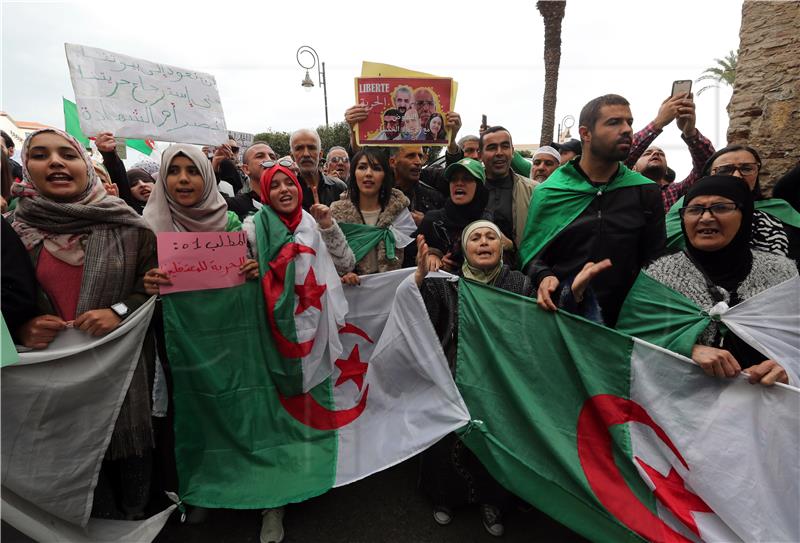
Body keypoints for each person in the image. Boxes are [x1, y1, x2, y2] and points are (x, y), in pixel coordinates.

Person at [10, 128, 157, 519]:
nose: (56, 162)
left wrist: (119, 312)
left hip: (120, 370)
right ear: (27, 168)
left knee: (128, 466)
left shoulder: (131, 226)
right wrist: (19, 329)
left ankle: (132, 516)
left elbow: (152, 287)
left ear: (84, 166)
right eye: (40, 155)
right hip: (46, 379)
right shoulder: (11, 232)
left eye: (67, 154)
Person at [415, 221, 532, 537]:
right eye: (475, 237)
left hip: (501, 380)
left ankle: (493, 502)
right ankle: (444, 498)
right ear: (464, 248)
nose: (483, 242)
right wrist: (418, 283)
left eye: (490, 237)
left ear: (501, 247)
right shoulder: (443, 285)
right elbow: (424, 328)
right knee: (447, 441)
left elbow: (533, 334)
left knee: (495, 443)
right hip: (454, 376)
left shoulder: (520, 285)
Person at [623, 176, 797, 385]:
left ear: (746, 215)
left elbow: (794, 342)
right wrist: (686, 348)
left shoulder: (782, 274)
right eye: (695, 209)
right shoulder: (659, 275)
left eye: (721, 207)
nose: (706, 217)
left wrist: (788, 368)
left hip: (769, 405)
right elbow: (628, 346)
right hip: (679, 408)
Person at [520, 94, 666, 327]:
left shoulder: (645, 192)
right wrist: (543, 275)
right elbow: (532, 254)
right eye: (614, 122)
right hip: (561, 319)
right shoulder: (549, 192)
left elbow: (658, 264)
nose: (627, 129)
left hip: (628, 327)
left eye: (629, 122)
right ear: (585, 133)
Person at [330, 149, 412, 281]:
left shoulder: (399, 212)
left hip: (391, 291)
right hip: (353, 294)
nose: (368, 173)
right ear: (354, 174)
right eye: (362, 167)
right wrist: (345, 275)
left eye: (376, 168)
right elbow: (330, 259)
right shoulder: (337, 214)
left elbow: (410, 261)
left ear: (385, 175)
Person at [625, 93, 715, 212]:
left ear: (666, 169)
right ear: (633, 168)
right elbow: (618, 156)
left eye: (661, 153)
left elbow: (707, 167)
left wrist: (690, 132)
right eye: (647, 153)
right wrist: (658, 122)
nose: (655, 154)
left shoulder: (677, 192)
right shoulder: (621, 187)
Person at [419, 157, 490, 272]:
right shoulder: (432, 220)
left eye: (467, 179)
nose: (459, 183)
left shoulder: (490, 223)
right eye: (454, 179)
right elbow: (411, 257)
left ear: (479, 186)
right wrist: (431, 256)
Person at [478, 126, 537, 259]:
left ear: (512, 151)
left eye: (505, 146)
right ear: (480, 154)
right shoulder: (469, 189)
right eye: (492, 147)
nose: (499, 153)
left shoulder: (534, 191)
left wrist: (513, 247)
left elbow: (541, 239)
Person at [290, 128, 347, 209]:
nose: (306, 154)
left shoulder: (339, 188)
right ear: (292, 156)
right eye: (299, 148)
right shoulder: (288, 193)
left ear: (320, 155)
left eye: (311, 148)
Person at [225, 141, 278, 220]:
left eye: (273, 157)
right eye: (260, 156)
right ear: (246, 169)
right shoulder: (232, 206)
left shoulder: (289, 200)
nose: (269, 160)